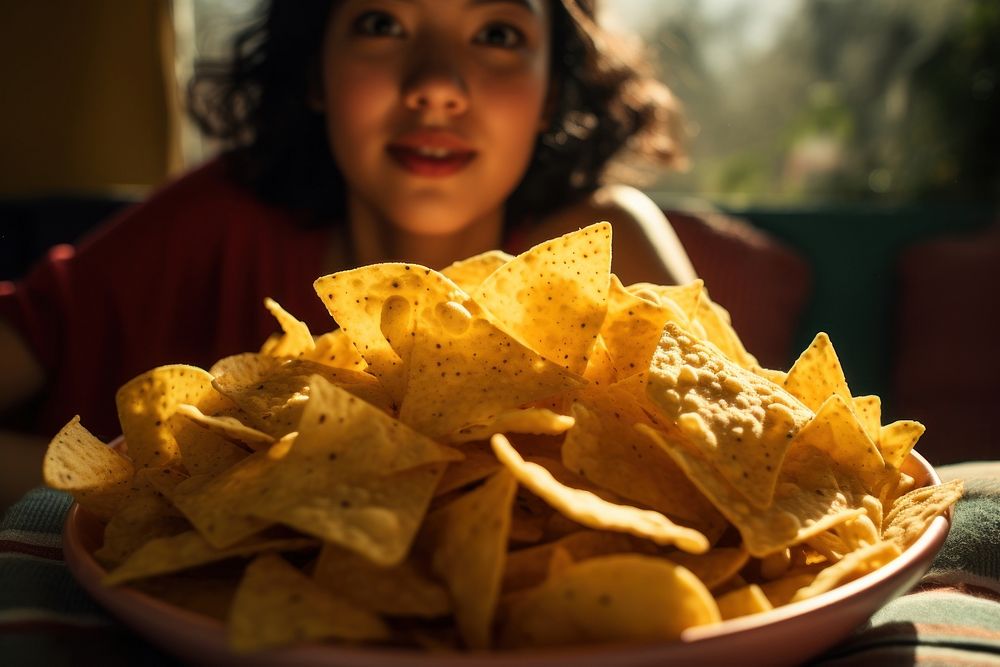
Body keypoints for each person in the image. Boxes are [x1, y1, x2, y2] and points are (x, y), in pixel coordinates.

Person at [0, 0, 696, 506]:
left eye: (496, 33)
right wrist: (178, 495)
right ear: (315, 73)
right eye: (381, 23)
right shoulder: (216, 218)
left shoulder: (612, 252)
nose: (437, 85)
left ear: (553, 89)